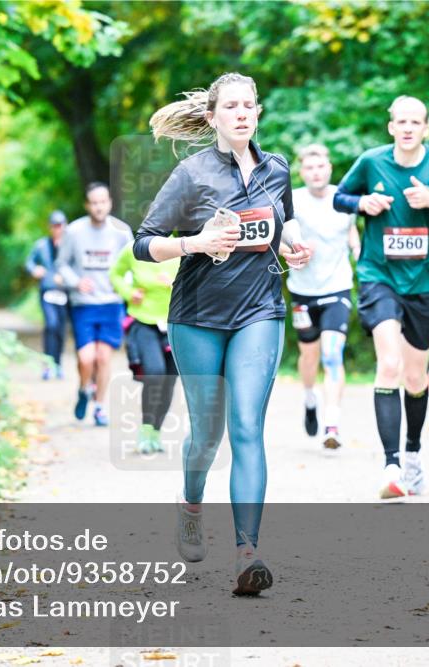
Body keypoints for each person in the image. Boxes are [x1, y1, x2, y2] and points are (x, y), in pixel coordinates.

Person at [134, 72, 311, 595]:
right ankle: (190, 504)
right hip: (197, 317)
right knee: (207, 434)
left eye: (249, 105)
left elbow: (286, 223)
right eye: (230, 106)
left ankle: (247, 555)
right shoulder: (191, 174)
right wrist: (196, 242)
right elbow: (144, 243)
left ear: (257, 113)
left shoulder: (277, 169)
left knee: (247, 428)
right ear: (212, 117)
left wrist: (295, 247)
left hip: (259, 311)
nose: (241, 113)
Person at [332, 95, 429, 499]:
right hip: (380, 276)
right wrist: (363, 202)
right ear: (391, 126)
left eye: (416, 122)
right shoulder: (372, 162)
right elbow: (340, 197)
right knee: (389, 364)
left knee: (415, 377)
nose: (408, 128)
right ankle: (390, 463)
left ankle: (412, 457)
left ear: (426, 128)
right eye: (402, 122)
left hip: (428, 283)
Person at [283, 144, 361, 450]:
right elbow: (279, 236)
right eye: (310, 168)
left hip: (337, 286)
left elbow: (351, 232)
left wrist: (359, 251)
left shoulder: (344, 198)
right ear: (302, 172)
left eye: (321, 167)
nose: (316, 172)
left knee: (332, 354)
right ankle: (309, 397)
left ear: (329, 169)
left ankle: (332, 423)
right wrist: (291, 251)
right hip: (303, 290)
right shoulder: (294, 200)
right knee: (309, 355)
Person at [56, 182, 134, 427]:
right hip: (84, 305)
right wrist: (76, 282)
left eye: (103, 202)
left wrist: (125, 287)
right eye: (94, 202)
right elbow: (62, 265)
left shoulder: (121, 232)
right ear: (87, 205)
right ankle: (83, 390)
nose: (99, 207)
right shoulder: (74, 231)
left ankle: (100, 406)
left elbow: (133, 264)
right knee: (86, 358)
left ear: (109, 203)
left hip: (111, 303)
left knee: (103, 357)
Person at [109, 243, 180, 454]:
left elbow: (198, 283)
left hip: (174, 323)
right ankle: (145, 432)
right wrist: (129, 293)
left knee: (169, 380)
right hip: (143, 321)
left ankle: (155, 433)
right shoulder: (134, 249)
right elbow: (115, 274)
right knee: (155, 374)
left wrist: (176, 284)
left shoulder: (181, 246)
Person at [25, 210, 70, 380]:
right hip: (47, 292)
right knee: (50, 325)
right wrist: (34, 269)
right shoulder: (41, 245)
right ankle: (47, 364)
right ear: (50, 227)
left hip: (64, 294)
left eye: (60, 225)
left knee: (60, 330)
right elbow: (29, 262)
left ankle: (57, 364)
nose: (58, 229)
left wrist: (66, 277)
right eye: (54, 226)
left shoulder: (69, 245)